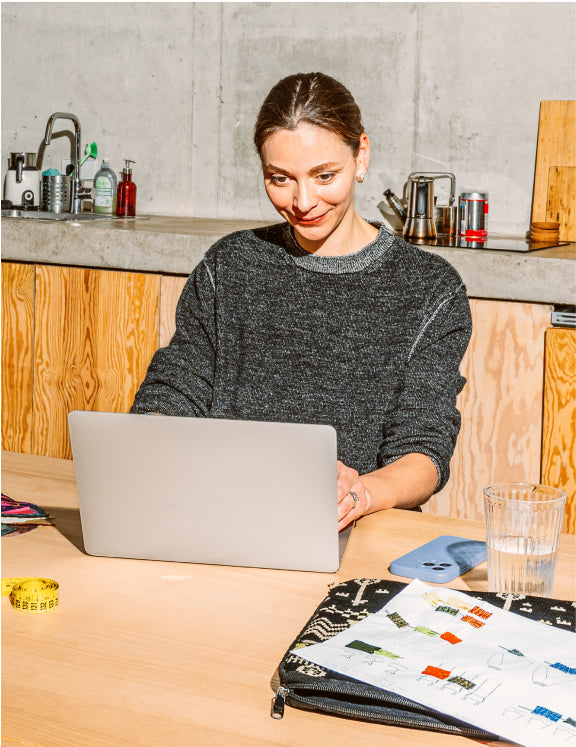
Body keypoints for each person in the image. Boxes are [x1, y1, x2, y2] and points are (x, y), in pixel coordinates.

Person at [131, 72, 473, 531]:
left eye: (324, 175)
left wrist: (361, 494)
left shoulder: (430, 289)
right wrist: (150, 439)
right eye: (280, 179)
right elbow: (177, 387)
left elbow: (423, 449)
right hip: (219, 519)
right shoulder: (231, 265)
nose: (303, 201)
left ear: (362, 154)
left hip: (356, 531)